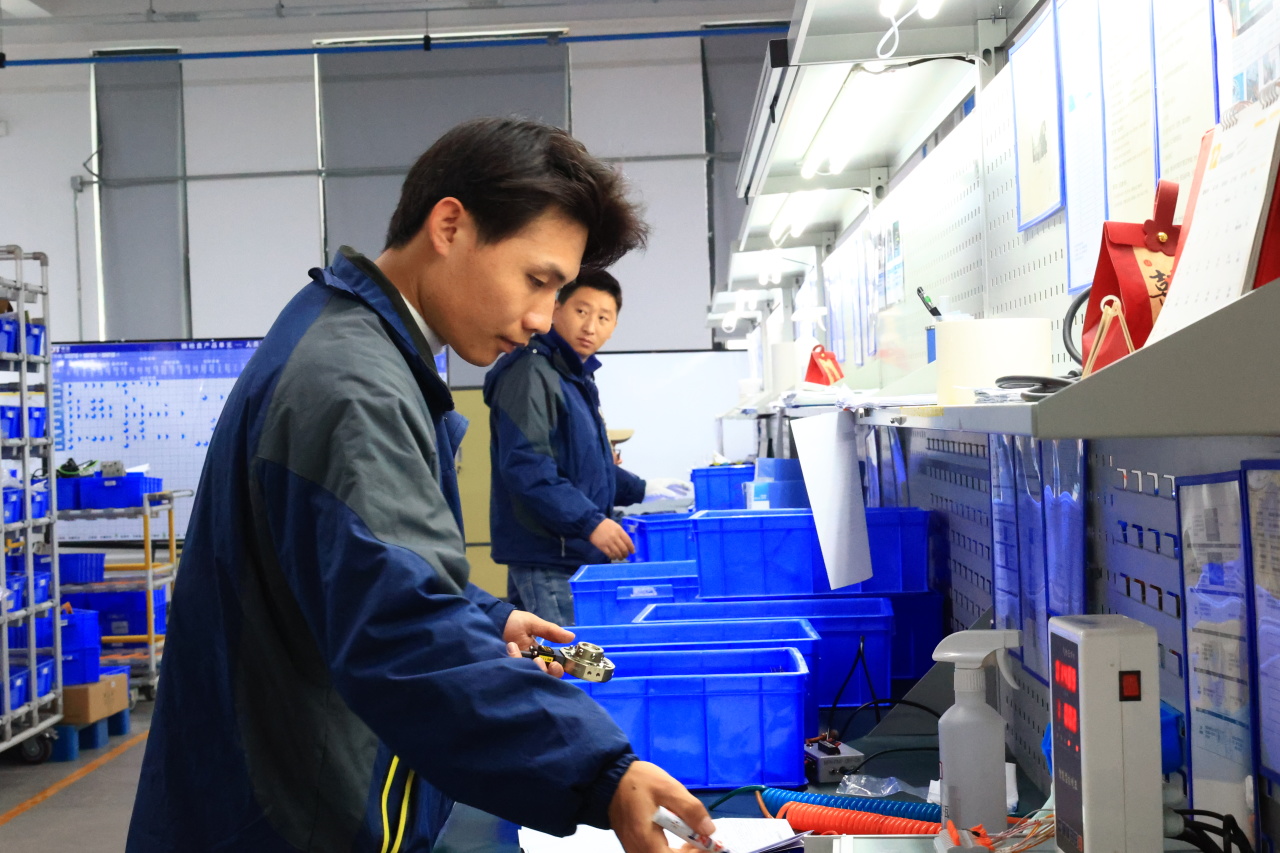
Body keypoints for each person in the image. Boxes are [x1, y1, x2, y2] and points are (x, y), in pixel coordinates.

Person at [126, 117, 714, 853]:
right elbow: (401, 630)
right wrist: (601, 773)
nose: (542, 318)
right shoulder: (354, 383)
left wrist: (484, 614)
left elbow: (357, 560)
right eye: (537, 281)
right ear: (450, 226)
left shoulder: (359, 345)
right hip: (284, 814)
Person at [484, 270, 645, 626]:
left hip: (569, 550)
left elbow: (586, 467)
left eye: (603, 318)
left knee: (544, 654)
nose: (590, 326)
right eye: (581, 311)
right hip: (550, 555)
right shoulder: (531, 371)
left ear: (614, 326)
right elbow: (527, 466)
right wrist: (591, 523)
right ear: (556, 308)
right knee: (570, 656)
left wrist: (644, 490)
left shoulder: (574, 376)